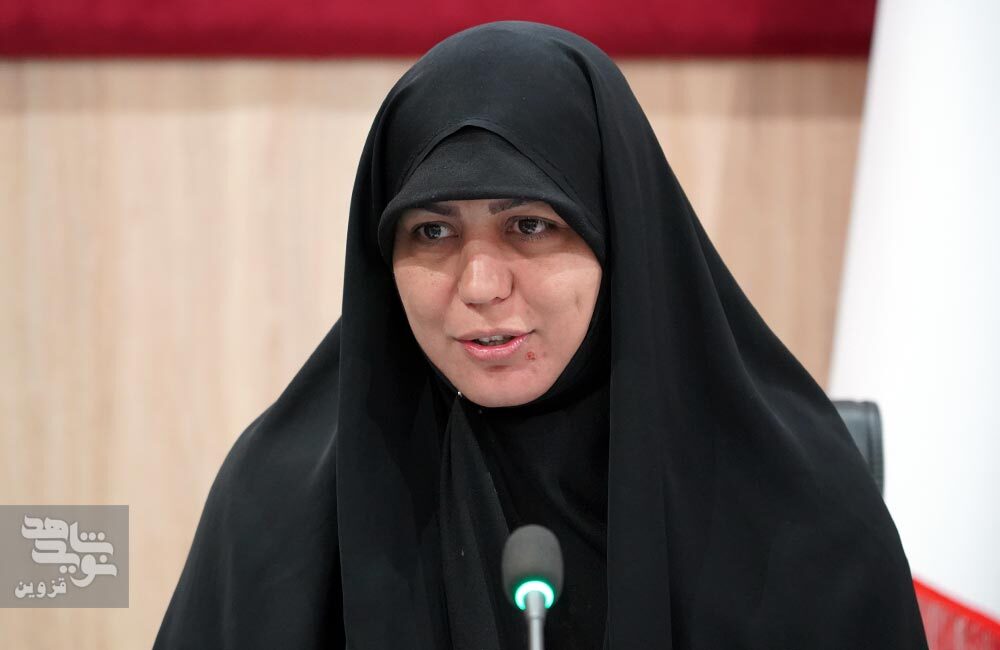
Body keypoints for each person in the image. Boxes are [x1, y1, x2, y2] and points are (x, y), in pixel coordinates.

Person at [153, 21, 928, 649]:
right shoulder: (279, 505)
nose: (480, 284)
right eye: (431, 232)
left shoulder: (799, 517)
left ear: (617, 235)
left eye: (529, 225)